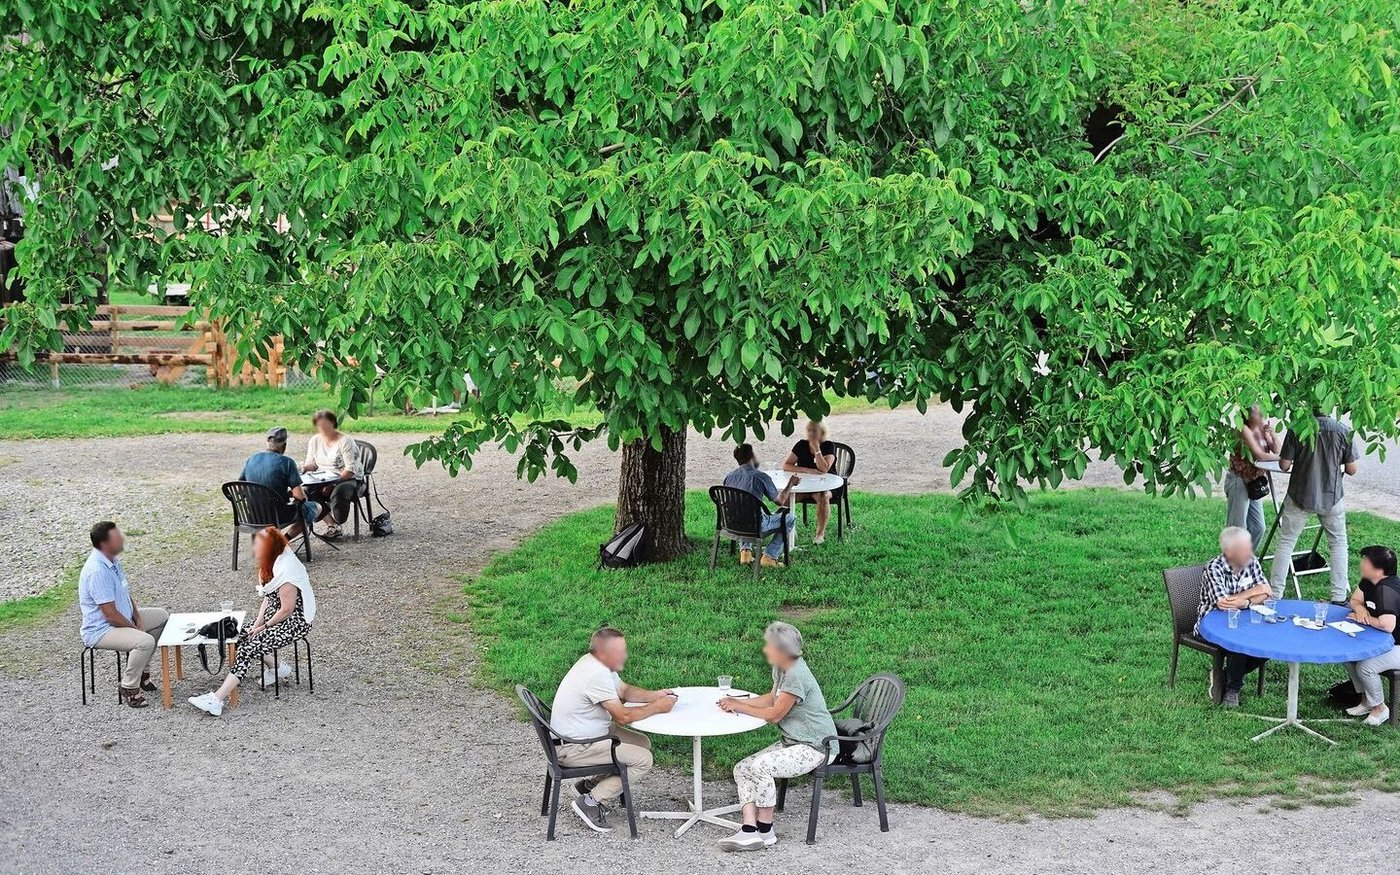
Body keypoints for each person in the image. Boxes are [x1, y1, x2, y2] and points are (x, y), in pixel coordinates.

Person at [716, 622, 837, 852]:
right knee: (742, 768)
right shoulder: (781, 668)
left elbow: (774, 714)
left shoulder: (796, 674)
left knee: (761, 767)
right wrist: (734, 702)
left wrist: (740, 706)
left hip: (816, 746)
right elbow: (772, 699)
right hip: (793, 741)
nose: (765, 650)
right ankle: (749, 830)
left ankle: (766, 831)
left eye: (769, 646)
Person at [550, 627, 677, 833]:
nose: (625, 655)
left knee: (642, 743)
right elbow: (623, 716)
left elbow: (624, 690)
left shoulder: (597, 664)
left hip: (586, 735)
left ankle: (590, 785)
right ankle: (591, 802)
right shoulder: (595, 674)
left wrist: (655, 695)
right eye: (621, 651)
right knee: (643, 760)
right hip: (575, 747)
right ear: (604, 652)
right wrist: (657, 707)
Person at [188, 527, 316, 717]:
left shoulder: (287, 569)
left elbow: (287, 609)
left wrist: (264, 627)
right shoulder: (272, 562)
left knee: (249, 647)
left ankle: (216, 699)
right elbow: (267, 597)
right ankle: (277, 667)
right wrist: (256, 624)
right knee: (241, 635)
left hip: (294, 621)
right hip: (276, 616)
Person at [1268, 412, 1359, 602]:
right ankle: (1339, 596)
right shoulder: (1343, 430)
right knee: (1338, 544)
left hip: (1299, 494)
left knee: (1286, 542)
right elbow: (1351, 469)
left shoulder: (1297, 428)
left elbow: (1284, 465)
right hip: (1331, 495)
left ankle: (1275, 594)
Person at [78, 522, 169, 708]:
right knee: (145, 641)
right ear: (104, 544)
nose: (122, 538)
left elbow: (126, 594)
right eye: (117, 536)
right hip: (102, 630)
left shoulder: (113, 561)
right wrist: (136, 629)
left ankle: (142, 671)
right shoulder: (97, 571)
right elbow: (110, 615)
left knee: (161, 617)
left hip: (122, 619)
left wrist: (137, 616)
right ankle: (129, 688)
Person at [1196, 527, 1273, 707]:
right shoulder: (1214, 568)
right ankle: (1233, 690)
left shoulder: (1251, 561)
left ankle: (1222, 675)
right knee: (1239, 642)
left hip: (1246, 618)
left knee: (1268, 645)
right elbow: (1223, 604)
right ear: (1229, 552)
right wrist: (1255, 591)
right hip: (1211, 625)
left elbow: (1267, 594)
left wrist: (1245, 603)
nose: (1249, 551)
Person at [1340, 546, 1400, 726]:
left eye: (1366, 561)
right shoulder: (1369, 580)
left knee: (1366, 666)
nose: (1362, 563)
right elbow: (1355, 600)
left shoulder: (1387, 590)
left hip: (1397, 645)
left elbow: (1387, 625)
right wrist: (1360, 609)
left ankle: (1380, 708)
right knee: (1349, 655)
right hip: (1385, 642)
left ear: (1378, 569)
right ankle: (1367, 701)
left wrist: (1365, 620)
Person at [723, 444, 800, 568]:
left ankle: (745, 552)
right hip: (755, 527)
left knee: (743, 512)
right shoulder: (760, 476)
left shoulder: (729, 477)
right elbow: (780, 501)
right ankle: (769, 556)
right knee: (790, 518)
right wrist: (791, 484)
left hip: (731, 524)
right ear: (752, 456)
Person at [240, 426, 318, 538]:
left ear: (266, 443)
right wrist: (299, 495)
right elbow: (300, 497)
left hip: (253, 516)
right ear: (284, 446)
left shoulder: (251, 459)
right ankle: (283, 542)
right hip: (277, 516)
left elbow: (240, 489)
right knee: (314, 508)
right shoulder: (287, 462)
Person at [1224, 405, 1280, 551]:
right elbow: (1259, 455)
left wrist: (1272, 436)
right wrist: (1285, 459)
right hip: (1239, 481)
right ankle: (1230, 565)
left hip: (1253, 483)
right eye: (1258, 412)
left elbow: (1277, 451)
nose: (1262, 415)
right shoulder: (1243, 429)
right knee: (1237, 528)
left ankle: (1244, 560)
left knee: (1258, 527)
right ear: (1247, 415)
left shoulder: (1262, 431)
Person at [301, 409, 363, 540]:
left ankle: (339, 520)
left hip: (347, 477)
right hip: (323, 477)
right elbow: (312, 464)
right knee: (305, 491)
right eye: (319, 425)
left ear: (333, 424)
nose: (323, 428)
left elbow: (350, 469)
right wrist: (304, 468)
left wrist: (332, 483)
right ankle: (332, 525)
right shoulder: (314, 440)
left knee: (338, 492)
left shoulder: (345, 441)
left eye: (326, 425)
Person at [782, 420, 837, 544]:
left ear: (822, 432)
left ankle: (820, 534)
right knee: (784, 499)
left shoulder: (828, 445)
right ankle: (789, 528)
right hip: (805, 485)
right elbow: (786, 465)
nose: (811, 434)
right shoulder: (801, 445)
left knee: (823, 497)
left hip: (826, 485)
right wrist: (807, 470)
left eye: (815, 431)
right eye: (809, 431)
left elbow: (824, 468)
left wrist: (817, 450)